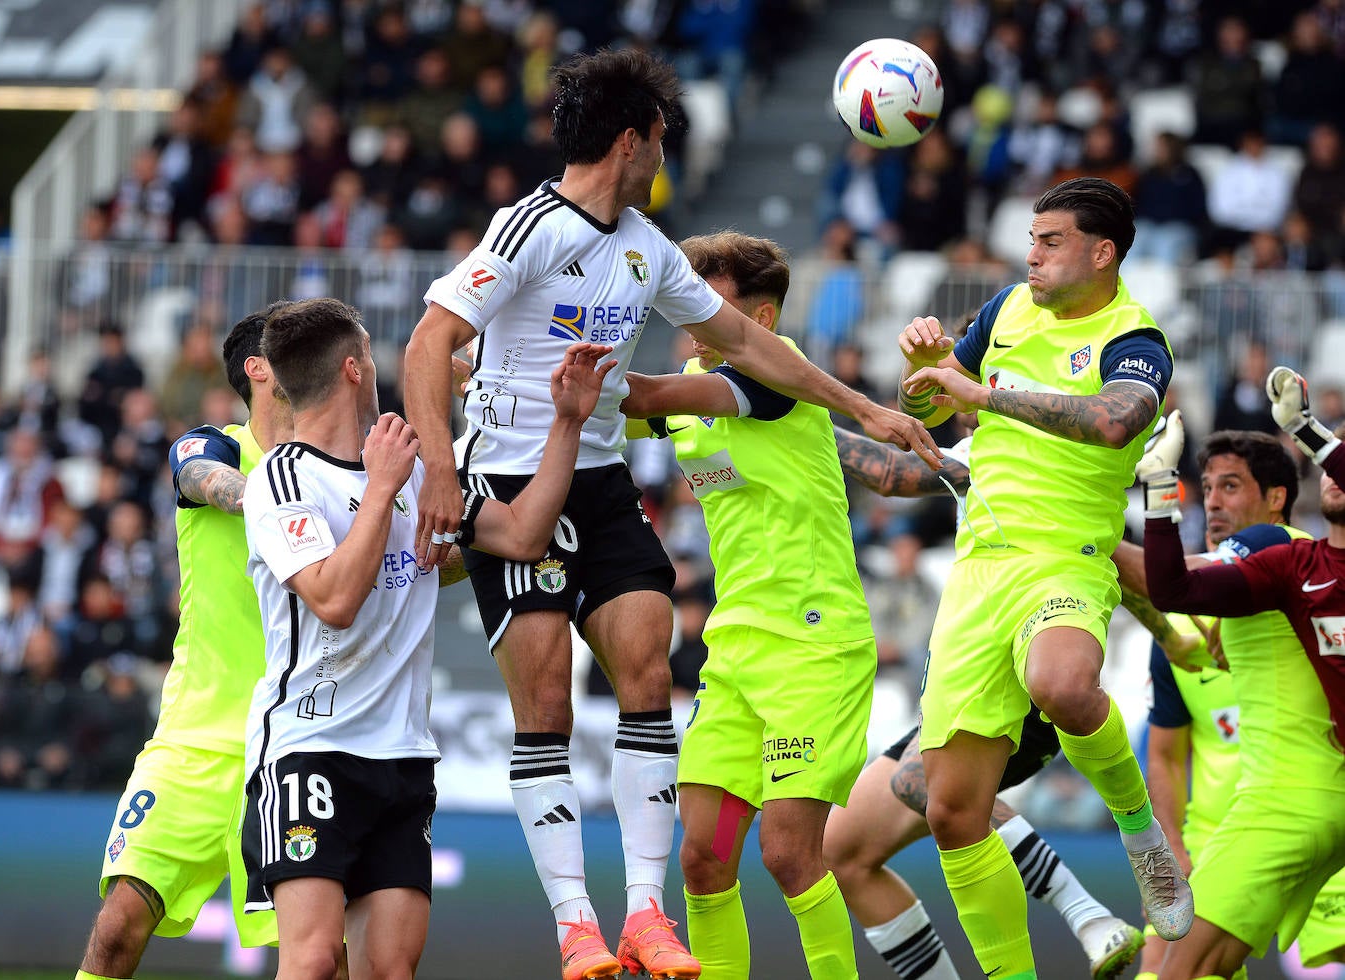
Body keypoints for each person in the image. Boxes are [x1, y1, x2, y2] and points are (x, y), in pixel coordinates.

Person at [402, 47, 940, 980]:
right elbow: (428, 340)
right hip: (512, 483)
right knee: (544, 706)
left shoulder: (647, 249)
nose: (666, 154)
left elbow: (743, 344)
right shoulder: (527, 228)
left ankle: (644, 916)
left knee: (648, 674)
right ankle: (576, 924)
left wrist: (866, 409)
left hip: (602, 481)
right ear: (631, 138)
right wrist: (443, 472)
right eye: (660, 137)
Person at [240, 297, 612, 980]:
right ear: (354, 369)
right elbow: (334, 600)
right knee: (316, 959)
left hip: (403, 756)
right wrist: (380, 490)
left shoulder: (413, 468)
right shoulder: (283, 477)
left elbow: (524, 535)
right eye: (372, 356)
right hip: (308, 750)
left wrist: (567, 422)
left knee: (389, 969)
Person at [895, 176, 1186, 979]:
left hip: (1066, 556)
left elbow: (1117, 419)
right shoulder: (1002, 312)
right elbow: (923, 408)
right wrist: (923, 372)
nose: (1032, 254)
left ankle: (1141, 834)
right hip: (978, 569)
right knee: (951, 809)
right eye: (1031, 238)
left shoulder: (1136, 340)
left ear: (1103, 251)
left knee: (1061, 683)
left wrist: (980, 393)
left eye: (1051, 241)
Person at [615, 231, 880, 979]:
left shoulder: (776, 377)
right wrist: (490, 378)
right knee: (701, 859)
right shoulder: (699, 392)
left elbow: (644, 396)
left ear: (758, 322)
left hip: (814, 646)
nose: (692, 316)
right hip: (735, 653)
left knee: (790, 853)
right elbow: (617, 415)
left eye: (710, 302)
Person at [824, 428, 1147, 980]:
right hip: (971, 663)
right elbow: (888, 470)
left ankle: (1086, 912)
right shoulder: (981, 451)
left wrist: (1175, 627)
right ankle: (1087, 918)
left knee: (922, 785)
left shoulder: (1055, 450)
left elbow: (1118, 556)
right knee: (842, 849)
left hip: (1029, 669)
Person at [74, 304, 293, 980]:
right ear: (257, 368)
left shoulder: (345, 470)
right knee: (114, 933)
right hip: (192, 745)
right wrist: (295, 505)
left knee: (321, 958)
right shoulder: (210, 445)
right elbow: (209, 483)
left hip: (291, 748)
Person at [1138, 374, 1345, 980]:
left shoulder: (1274, 546)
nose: (1217, 502)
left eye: (1232, 486)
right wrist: (1155, 490)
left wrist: (1309, 431)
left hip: (1285, 807)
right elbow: (1171, 587)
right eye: (1209, 489)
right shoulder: (1296, 567)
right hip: (1283, 813)